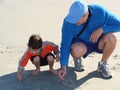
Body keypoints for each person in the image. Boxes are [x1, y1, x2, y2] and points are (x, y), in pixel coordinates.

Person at [58, 0, 120, 80]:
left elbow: (118, 24)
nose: (74, 21)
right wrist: (63, 66)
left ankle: (102, 64)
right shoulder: (68, 22)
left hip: (98, 41)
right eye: (72, 18)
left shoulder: (99, 11)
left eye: (76, 19)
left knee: (113, 38)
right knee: (76, 50)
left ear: (86, 15)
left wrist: (102, 29)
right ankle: (77, 59)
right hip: (81, 44)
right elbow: (65, 45)